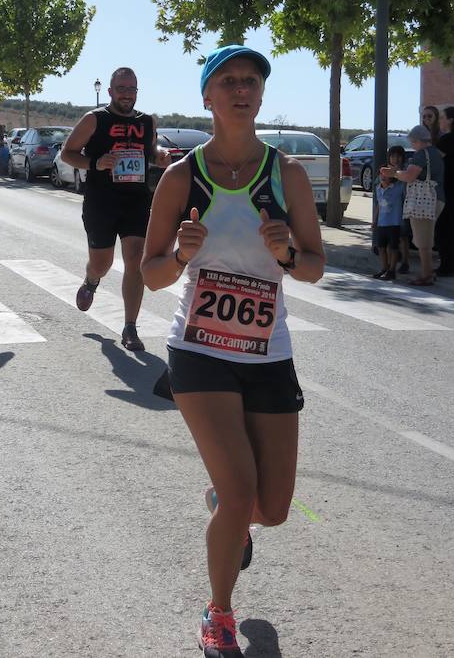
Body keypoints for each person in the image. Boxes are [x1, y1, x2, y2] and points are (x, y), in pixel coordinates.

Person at [141, 44, 324, 656]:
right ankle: (218, 612)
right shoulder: (181, 178)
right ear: (207, 97)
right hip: (199, 350)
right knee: (244, 487)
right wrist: (185, 255)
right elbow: (151, 273)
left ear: (261, 95)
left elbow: (316, 266)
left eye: (251, 81)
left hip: (267, 351)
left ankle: (226, 503)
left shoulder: (288, 175)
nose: (242, 90)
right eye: (228, 82)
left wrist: (289, 256)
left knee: (270, 509)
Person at [60, 67, 170, 351]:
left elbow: (151, 150)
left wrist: (159, 156)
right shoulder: (94, 119)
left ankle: (130, 327)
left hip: (136, 200)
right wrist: (96, 163)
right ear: (110, 91)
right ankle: (92, 279)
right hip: (101, 201)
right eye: (121, 88)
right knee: (103, 263)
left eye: (131, 89)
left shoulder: (147, 122)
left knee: (135, 260)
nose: (126, 94)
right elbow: (67, 153)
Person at [381, 124, 444, 286]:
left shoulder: (421, 155)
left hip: (423, 200)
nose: (412, 146)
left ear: (418, 140)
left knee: (422, 240)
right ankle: (428, 272)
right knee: (427, 238)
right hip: (437, 198)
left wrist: (393, 173)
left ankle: (426, 275)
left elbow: (409, 176)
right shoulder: (436, 153)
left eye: (413, 142)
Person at [372, 151, 406, 280]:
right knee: (381, 247)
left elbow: (403, 181)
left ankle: (392, 270)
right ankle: (384, 267)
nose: (383, 177)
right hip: (382, 222)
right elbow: (378, 205)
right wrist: (375, 220)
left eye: (386, 174)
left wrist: (396, 171)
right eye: (381, 174)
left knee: (393, 247)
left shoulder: (397, 187)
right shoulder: (378, 189)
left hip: (394, 222)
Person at [435, 106, 454, 276]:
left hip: (448, 189)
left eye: (442, 117)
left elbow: (434, 162)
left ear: (450, 120)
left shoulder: (447, 140)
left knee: (444, 229)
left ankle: (447, 266)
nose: (440, 120)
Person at [386, 145, 411, 274]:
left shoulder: (405, 170)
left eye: (398, 156)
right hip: (389, 208)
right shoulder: (386, 170)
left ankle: (405, 262)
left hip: (402, 206)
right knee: (391, 236)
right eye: (392, 156)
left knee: (403, 236)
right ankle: (391, 263)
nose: (395, 159)